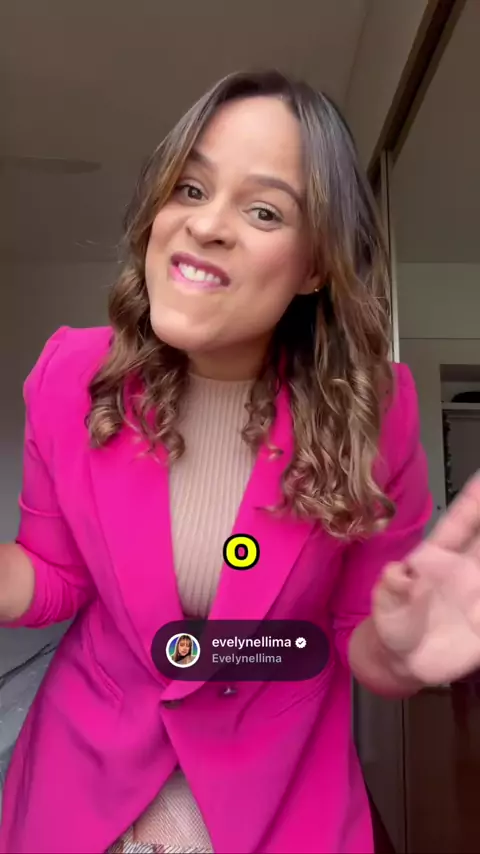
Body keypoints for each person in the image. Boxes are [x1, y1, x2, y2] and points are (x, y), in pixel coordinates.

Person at [1, 69, 480, 854]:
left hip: (280, 797)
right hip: (82, 784)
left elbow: (360, 631)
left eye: (263, 211)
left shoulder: (378, 411)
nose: (207, 225)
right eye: (190, 189)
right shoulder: (71, 375)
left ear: (315, 266)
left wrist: (403, 647)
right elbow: (54, 574)